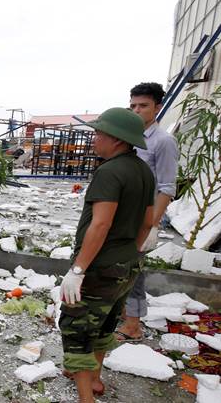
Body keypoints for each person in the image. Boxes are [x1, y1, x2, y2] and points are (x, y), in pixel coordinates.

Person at [58, 107, 155, 403]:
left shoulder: (109, 172)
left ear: (116, 139)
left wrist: (78, 270)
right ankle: (95, 379)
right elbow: (148, 222)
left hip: (100, 269)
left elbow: (100, 223)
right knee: (104, 325)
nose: (94, 139)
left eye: (98, 134)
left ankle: (86, 398)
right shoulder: (142, 170)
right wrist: (128, 251)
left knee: (77, 332)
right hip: (128, 265)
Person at [117, 82, 179, 342]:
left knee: (134, 270)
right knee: (119, 265)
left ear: (157, 107)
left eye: (143, 106)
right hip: (123, 214)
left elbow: (167, 187)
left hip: (144, 217)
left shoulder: (163, 141)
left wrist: (152, 225)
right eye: (132, 105)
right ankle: (123, 312)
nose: (136, 110)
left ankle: (133, 325)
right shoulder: (130, 137)